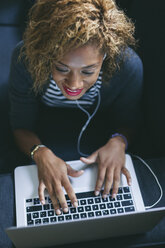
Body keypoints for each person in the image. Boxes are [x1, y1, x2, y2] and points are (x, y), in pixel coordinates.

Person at [9, 0, 143, 216]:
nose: (74, 84)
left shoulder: (128, 66)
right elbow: (20, 126)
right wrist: (40, 153)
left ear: (105, 58)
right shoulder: (25, 59)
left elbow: (129, 121)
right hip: (45, 125)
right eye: (62, 68)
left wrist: (119, 141)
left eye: (88, 72)